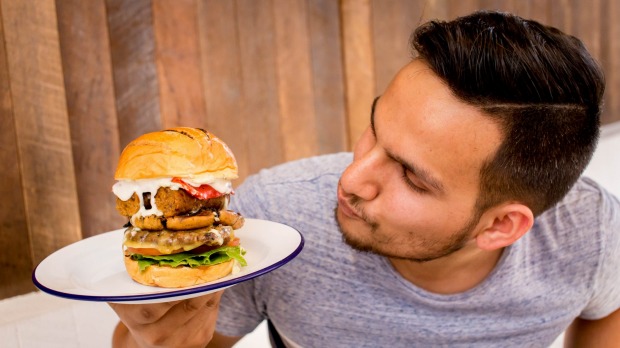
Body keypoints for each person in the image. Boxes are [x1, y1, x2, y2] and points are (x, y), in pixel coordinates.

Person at [110, 10, 620, 347]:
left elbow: (607, 311)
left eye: (413, 179)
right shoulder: (273, 219)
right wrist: (155, 338)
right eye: (374, 132)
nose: (353, 179)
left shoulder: (591, 232)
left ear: (501, 226)